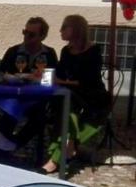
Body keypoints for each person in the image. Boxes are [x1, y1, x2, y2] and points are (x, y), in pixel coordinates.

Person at [41, 15, 110, 174]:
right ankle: (69, 146)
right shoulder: (66, 51)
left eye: (65, 27)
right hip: (71, 96)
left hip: (92, 99)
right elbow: (60, 74)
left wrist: (61, 82)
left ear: (76, 29)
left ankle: (57, 157)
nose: (60, 30)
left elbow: (87, 81)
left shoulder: (93, 51)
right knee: (61, 102)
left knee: (65, 103)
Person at [0, 17, 59, 154]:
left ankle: (15, 144)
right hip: (14, 96)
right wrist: (9, 77)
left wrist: (37, 77)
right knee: (9, 112)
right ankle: (2, 152)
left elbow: (52, 77)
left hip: (37, 98)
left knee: (39, 117)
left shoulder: (49, 54)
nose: (26, 37)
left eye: (31, 34)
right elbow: (0, 73)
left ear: (42, 36)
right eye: (25, 32)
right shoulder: (14, 51)